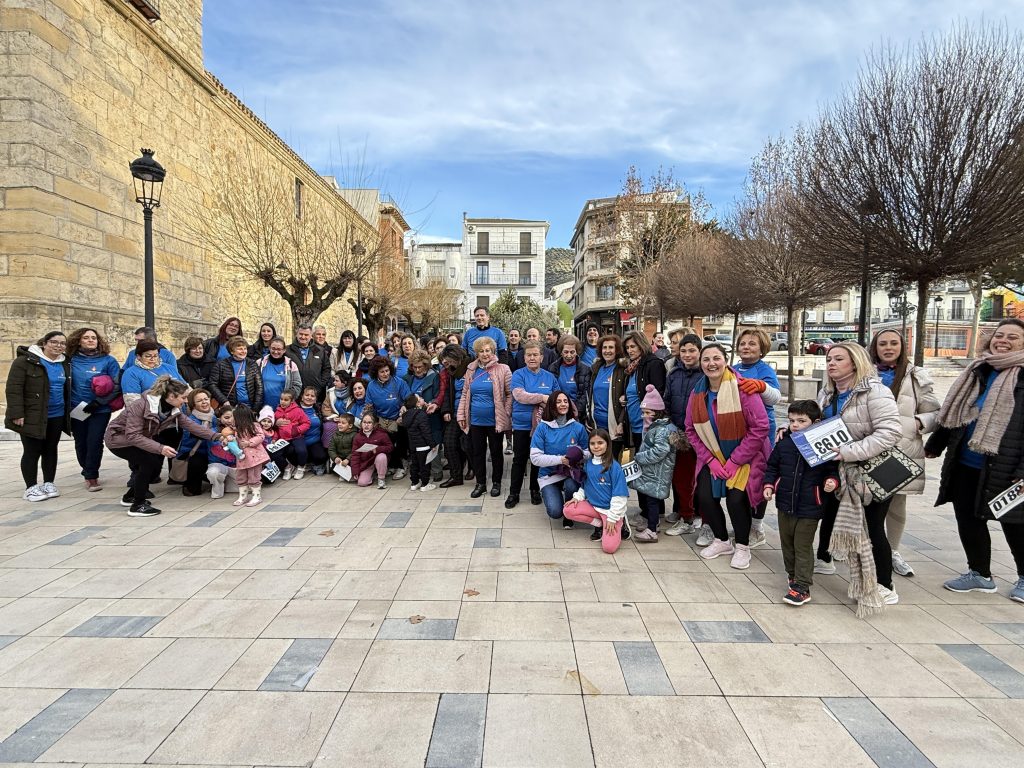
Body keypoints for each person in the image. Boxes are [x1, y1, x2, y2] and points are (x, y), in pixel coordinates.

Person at [925, 319, 1024, 603]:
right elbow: (955, 412)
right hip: (966, 461)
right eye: (999, 334)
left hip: (1007, 466)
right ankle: (980, 573)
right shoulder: (978, 370)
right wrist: (936, 444)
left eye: (1012, 337)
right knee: (967, 518)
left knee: (1015, 523)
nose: (1003, 340)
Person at [814, 342, 902, 614]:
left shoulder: (875, 391)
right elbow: (817, 425)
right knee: (829, 514)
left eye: (838, 359)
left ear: (855, 362)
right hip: (838, 470)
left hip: (872, 471)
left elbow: (890, 432)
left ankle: (885, 584)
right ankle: (825, 558)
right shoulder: (828, 393)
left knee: (872, 526)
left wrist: (850, 452)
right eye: (829, 359)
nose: (831, 364)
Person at [685, 343, 770, 571]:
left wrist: (735, 461)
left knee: (736, 499)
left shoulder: (742, 389)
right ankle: (722, 541)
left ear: (726, 360)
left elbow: (760, 427)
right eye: (706, 359)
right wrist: (711, 461)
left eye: (716, 358)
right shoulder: (697, 393)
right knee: (703, 496)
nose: (711, 363)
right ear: (701, 363)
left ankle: (742, 546)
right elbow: (691, 430)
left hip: (745, 457)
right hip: (712, 455)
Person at [869, 329, 941, 578]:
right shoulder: (865, 372)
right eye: (882, 344)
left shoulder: (916, 375)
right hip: (868, 446)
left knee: (896, 503)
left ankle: (894, 551)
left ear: (902, 346)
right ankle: (865, 548)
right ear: (874, 347)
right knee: (861, 499)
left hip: (901, 449)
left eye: (893, 343)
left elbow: (935, 412)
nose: (888, 348)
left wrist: (917, 424)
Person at [104, 375, 219, 517]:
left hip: (138, 439)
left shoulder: (173, 409)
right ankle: (137, 505)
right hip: (118, 440)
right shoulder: (140, 405)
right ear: (171, 396)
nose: (185, 401)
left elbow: (191, 425)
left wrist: (216, 436)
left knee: (150, 462)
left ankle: (130, 496)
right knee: (148, 462)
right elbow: (132, 435)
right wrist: (160, 448)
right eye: (183, 398)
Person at [763, 400, 841, 606]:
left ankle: (802, 586)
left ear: (816, 422)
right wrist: (769, 484)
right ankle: (793, 575)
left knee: (802, 545)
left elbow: (832, 470)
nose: (795, 425)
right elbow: (772, 466)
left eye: (801, 421)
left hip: (810, 505)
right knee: (787, 543)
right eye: (791, 421)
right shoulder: (784, 443)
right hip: (785, 503)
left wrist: (831, 482)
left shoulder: (823, 445)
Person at [733, 328, 785, 548]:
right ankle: (743, 523)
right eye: (743, 343)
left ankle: (757, 526)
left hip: (761, 432)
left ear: (762, 348)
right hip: (738, 430)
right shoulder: (734, 369)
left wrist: (761, 387)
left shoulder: (764, 370)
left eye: (752, 344)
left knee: (758, 477)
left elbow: (776, 397)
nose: (746, 347)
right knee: (742, 479)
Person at [6, 331, 70, 502]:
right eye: (54, 342)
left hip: (57, 414)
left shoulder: (65, 363)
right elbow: (14, 389)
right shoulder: (25, 361)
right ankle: (31, 487)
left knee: (51, 449)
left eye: (62, 343)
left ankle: (49, 482)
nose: (58, 346)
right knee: (32, 451)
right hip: (32, 414)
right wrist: (16, 413)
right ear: (44, 343)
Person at [66, 327, 121, 492]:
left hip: (99, 409)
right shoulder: (69, 360)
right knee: (81, 441)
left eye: (94, 338)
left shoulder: (108, 361)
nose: (91, 340)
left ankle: (92, 475)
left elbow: (117, 384)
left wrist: (99, 402)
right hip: (77, 408)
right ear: (78, 341)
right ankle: (86, 469)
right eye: (86, 338)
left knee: (95, 440)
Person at [458, 336, 513, 498]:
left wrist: (506, 411)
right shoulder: (471, 370)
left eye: (487, 350)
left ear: (493, 351)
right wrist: (461, 414)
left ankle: (496, 483)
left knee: (496, 452)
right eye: (481, 351)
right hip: (475, 420)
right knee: (477, 452)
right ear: (476, 353)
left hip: (495, 419)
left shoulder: (503, 369)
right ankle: (480, 483)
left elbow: (510, 395)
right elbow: (464, 393)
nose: (485, 354)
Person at [506, 341, 559, 508]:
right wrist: (542, 397)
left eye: (535, 354)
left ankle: (535, 490)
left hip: (543, 427)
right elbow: (520, 395)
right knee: (519, 459)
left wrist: (545, 398)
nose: (532, 358)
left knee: (538, 459)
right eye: (528, 355)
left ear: (542, 357)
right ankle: (514, 493)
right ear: (524, 357)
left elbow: (556, 398)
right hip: (522, 425)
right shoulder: (518, 375)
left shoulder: (549, 377)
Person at [563, 429, 631, 552]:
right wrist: (577, 497)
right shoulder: (588, 464)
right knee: (568, 510)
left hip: (610, 511)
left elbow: (620, 496)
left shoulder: (614, 467)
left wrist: (612, 518)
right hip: (594, 507)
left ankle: (621, 522)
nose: (596, 446)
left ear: (607, 444)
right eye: (592, 443)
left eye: (600, 443)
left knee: (609, 548)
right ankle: (599, 524)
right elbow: (585, 486)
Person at [663, 333, 704, 537]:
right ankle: (686, 515)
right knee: (681, 478)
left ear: (699, 351)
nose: (687, 355)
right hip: (680, 434)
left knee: (702, 481)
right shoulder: (674, 373)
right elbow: (667, 401)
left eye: (692, 350)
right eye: (684, 350)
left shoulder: (706, 373)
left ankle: (703, 519)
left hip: (703, 436)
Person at [531, 392, 591, 526]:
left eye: (565, 401)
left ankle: (569, 513)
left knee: (570, 485)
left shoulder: (578, 427)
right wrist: (561, 460)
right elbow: (535, 458)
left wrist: (579, 453)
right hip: (549, 475)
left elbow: (589, 452)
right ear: (552, 405)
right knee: (555, 512)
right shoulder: (542, 428)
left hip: (571, 473)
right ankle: (553, 494)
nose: (563, 404)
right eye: (559, 401)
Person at [629, 386, 678, 543]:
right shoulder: (656, 426)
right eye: (643, 412)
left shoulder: (661, 430)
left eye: (648, 413)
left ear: (657, 412)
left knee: (651, 500)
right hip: (653, 471)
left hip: (657, 472)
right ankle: (653, 523)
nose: (644, 416)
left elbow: (660, 451)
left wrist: (640, 457)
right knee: (650, 499)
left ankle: (651, 530)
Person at [367, 356, 412, 478]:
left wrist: (403, 411)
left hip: (398, 419)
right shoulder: (371, 386)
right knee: (383, 440)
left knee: (398, 439)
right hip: (381, 420)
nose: (385, 374)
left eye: (387, 370)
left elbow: (409, 400)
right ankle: (391, 465)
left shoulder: (399, 382)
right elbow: (369, 406)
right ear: (376, 373)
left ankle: (402, 466)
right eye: (382, 372)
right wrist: (371, 421)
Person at [622, 331, 667, 452]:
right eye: (627, 348)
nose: (629, 350)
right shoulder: (631, 368)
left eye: (632, 346)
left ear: (641, 345)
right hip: (633, 427)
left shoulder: (653, 364)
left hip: (647, 427)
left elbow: (659, 396)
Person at [587, 334, 627, 456]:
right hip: (596, 426)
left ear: (617, 350)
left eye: (611, 347)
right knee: (598, 462)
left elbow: (627, 398)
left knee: (611, 463)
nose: (607, 351)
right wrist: (588, 419)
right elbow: (590, 396)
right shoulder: (596, 369)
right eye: (604, 347)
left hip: (614, 426)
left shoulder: (622, 369)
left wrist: (621, 422)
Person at [439, 344, 471, 487]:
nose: (447, 363)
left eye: (449, 360)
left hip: (470, 414)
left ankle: (474, 469)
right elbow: (447, 392)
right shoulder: (451, 372)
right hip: (454, 412)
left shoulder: (472, 368)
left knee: (468, 445)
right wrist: (446, 410)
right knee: (449, 443)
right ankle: (456, 476)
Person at [228, 404, 270, 507]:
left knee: (254, 477)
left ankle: (256, 496)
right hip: (242, 458)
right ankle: (243, 495)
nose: (232, 418)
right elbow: (236, 443)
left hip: (254, 457)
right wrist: (230, 441)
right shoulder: (236, 429)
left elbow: (261, 436)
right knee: (240, 476)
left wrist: (249, 442)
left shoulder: (254, 426)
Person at [208, 336, 264, 413]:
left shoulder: (252, 364)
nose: (243, 351)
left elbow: (259, 387)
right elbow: (212, 384)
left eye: (245, 348)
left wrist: (255, 408)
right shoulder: (221, 365)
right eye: (240, 349)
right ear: (232, 351)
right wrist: (224, 401)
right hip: (230, 407)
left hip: (249, 407)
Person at [177, 388, 215, 497]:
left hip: (210, 450)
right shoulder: (190, 420)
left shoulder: (214, 416)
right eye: (199, 401)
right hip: (193, 452)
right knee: (197, 461)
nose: (204, 402)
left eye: (206, 399)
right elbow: (191, 440)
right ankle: (190, 487)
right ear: (193, 404)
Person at [121, 340, 184, 405]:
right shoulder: (131, 373)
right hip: (149, 412)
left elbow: (186, 389)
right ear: (138, 356)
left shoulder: (169, 368)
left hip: (178, 411)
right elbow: (133, 403)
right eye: (148, 356)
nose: (152, 359)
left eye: (155, 356)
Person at [549, 334, 591, 427]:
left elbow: (585, 394)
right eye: (566, 352)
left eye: (572, 352)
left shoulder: (585, 369)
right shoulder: (553, 368)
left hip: (578, 415)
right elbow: (551, 391)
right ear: (561, 352)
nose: (569, 355)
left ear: (577, 352)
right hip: (557, 414)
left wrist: (574, 411)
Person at [287, 323, 331, 401]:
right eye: (301, 334)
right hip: (293, 393)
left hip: (314, 394)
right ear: (296, 334)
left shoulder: (319, 351)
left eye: (306, 335)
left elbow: (326, 369)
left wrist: (320, 384)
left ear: (311, 336)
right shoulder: (287, 351)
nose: (303, 337)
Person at [273, 390, 311, 481]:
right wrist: (275, 426)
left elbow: (307, 423)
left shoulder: (298, 410)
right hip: (283, 439)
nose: (283, 401)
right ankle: (287, 467)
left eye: (286, 400)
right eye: (281, 399)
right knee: (276, 454)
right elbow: (273, 427)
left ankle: (301, 467)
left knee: (301, 451)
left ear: (292, 401)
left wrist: (297, 430)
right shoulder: (277, 412)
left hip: (296, 436)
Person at [402, 393, 436, 491]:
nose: (422, 398)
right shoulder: (421, 414)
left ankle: (414, 483)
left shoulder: (405, 415)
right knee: (424, 465)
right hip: (423, 445)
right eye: (420, 398)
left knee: (414, 464)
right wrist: (432, 444)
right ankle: (425, 484)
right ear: (417, 404)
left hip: (412, 445)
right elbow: (426, 431)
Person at [350, 411, 393, 489]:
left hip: (378, 459)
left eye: (369, 423)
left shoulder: (382, 434)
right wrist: (355, 471)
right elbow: (355, 455)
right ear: (361, 423)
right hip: (367, 463)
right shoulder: (357, 437)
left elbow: (390, 447)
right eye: (364, 422)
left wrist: (378, 449)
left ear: (374, 424)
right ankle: (372, 475)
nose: (366, 425)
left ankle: (381, 479)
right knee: (362, 483)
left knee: (381, 456)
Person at [258, 337, 302, 409]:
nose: (276, 352)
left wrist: (288, 400)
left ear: (284, 350)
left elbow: (297, 385)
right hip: (263, 408)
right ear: (269, 348)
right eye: (273, 348)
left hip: (283, 408)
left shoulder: (291, 365)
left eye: (279, 349)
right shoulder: (260, 363)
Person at [206, 405, 239, 499]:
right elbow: (215, 450)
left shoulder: (241, 430)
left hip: (236, 466)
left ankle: (229, 484)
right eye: (226, 417)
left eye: (233, 417)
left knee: (247, 487)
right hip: (219, 465)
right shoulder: (213, 432)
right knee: (213, 473)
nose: (230, 420)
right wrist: (225, 441)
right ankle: (218, 487)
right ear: (219, 418)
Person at [297, 385, 330, 476]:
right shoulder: (295, 409)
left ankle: (314, 464)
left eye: (312, 396)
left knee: (321, 456)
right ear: (302, 397)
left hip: (314, 440)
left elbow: (326, 415)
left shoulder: (318, 409)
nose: (309, 397)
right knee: (292, 451)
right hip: (299, 440)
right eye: (307, 395)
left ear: (315, 399)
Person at [328, 413, 357, 481]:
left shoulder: (355, 435)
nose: (340, 424)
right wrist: (335, 457)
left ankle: (349, 474)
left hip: (350, 459)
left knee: (354, 464)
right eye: (339, 422)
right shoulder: (335, 435)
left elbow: (355, 450)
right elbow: (331, 449)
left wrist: (348, 459)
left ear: (350, 425)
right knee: (335, 466)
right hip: (340, 458)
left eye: (343, 423)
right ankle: (342, 473)